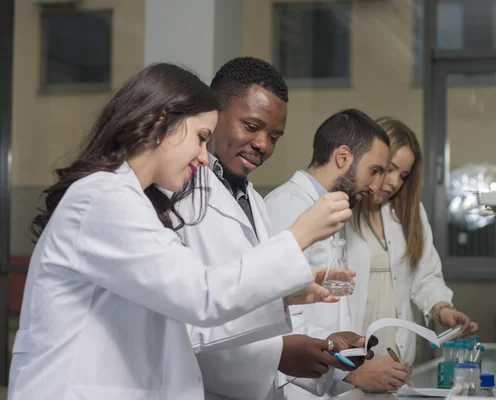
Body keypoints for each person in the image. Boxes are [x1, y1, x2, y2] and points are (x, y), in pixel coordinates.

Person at [8, 63, 353, 400]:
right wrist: (299, 235)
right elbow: (200, 296)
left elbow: (187, 318)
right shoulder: (102, 198)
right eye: (201, 138)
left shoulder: (133, 203)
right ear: (163, 124)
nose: (204, 158)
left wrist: (282, 295)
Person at [176, 57, 369, 400]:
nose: (264, 144)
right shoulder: (183, 195)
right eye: (251, 126)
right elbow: (195, 315)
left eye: (274, 136)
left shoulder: (254, 200)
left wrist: (320, 345)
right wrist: (278, 353)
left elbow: (256, 303)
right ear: (213, 114)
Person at [265, 109, 412, 399]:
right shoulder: (287, 206)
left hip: (323, 380)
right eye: (374, 171)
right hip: (296, 386)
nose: (376, 186)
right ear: (343, 157)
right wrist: (351, 371)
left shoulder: (330, 207)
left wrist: (349, 356)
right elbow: (281, 313)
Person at [344, 117, 479, 390]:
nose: (394, 182)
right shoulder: (341, 213)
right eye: (389, 169)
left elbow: (424, 275)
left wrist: (442, 309)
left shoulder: (408, 213)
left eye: (403, 175)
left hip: (397, 364)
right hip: (351, 366)